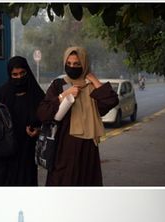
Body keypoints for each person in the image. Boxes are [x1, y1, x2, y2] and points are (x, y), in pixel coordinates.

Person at [37, 46, 118, 186]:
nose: (72, 67)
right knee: (63, 185)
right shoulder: (59, 85)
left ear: (84, 65)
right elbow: (43, 113)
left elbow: (111, 101)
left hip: (87, 149)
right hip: (63, 148)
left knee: (86, 186)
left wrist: (95, 80)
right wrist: (64, 96)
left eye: (76, 64)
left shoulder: (92, 87)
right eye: (68, 64)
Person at [0, 56, 45, 186]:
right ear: (10, 74)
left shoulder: (36, 94)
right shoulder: (2, 92)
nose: (19, 77)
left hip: (25, 151)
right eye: (15, 74)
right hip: (4, 151)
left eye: (22, 73)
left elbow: (46, 120)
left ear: (27, 72)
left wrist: (38, 131)